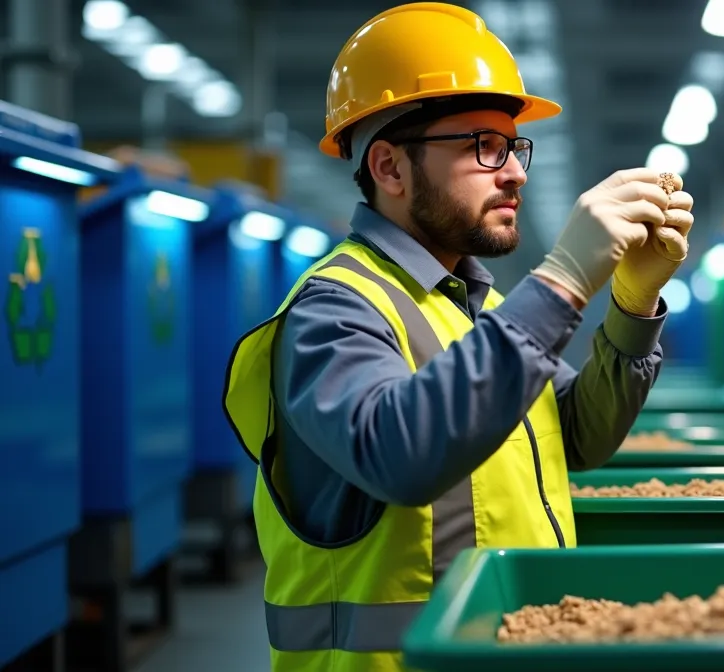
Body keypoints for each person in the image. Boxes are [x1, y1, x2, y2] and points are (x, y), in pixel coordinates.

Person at [221, 4, 694, 670]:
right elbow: (400, 453)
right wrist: (560, 280)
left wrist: (633, 299)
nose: (515, 172)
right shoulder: (333, 310)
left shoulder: (475, 306)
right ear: (389, 168)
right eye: (483, 146)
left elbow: (580, 434)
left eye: (514, 145)